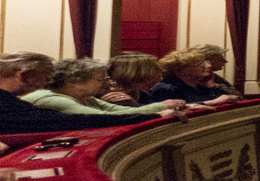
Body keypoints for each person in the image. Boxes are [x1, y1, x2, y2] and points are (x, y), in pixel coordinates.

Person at [0, 52, 163, 133]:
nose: (48, 81)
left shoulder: (11, 100)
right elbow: (76, 121)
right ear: (25, 75)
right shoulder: (47, 98)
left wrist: (156, 112)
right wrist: (157, 115)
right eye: (44, 76)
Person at [23, 57, 189, 118]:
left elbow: (115, 110)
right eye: (100, 78)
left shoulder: (86, 98)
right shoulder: (54, 100)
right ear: (74, 82)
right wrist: (161, 107)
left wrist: (163, 107)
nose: (107, 82)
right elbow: (106, 118)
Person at [150, 50, 242, 105]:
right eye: (200, 64)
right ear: (180, 70)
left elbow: (234, 98)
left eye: (206, 63)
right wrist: (215, 102)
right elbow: (174, 111)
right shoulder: (164, 89)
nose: (208, 66)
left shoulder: (201, 87)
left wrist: (211, 86)